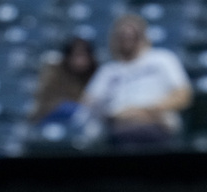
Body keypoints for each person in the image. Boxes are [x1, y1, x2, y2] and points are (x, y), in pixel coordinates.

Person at [82, 13, 193, 149]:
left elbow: (183, 95)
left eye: (132, 36)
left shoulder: (162, 59)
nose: (127, 40)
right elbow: (89, 103)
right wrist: (117, 115)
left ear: (142, 36)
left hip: (156, 124)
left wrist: (146, 111)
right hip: (116, 127)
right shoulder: (108, 70)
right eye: (122, 37)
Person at [29, 36, 98, 125]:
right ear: (68, 56)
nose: (81, 61)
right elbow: (46, 101)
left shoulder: (96, 72)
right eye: (77, 55)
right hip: (48, 117)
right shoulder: (54, 72)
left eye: (85, 56)